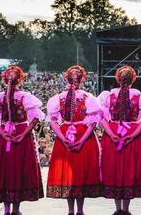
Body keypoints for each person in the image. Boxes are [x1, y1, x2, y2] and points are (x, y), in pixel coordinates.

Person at [0, 66, 45, 215]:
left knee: (12, 168)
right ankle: (13, 210)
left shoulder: (18, 97)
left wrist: (6, 133)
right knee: (11, 169)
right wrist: (11, 134)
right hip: (13, 133)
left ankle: (11, 209)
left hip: (12, 133)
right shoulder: (10, 97)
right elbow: (34, 119)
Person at [46, 65, 103, 215]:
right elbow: (92, 123)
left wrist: (64, 138)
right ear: (82, 79)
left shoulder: (62, 98)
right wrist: (78, 139)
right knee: (76, 173)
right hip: (79, 134)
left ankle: (73, 210)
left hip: (70, 134)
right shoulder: (85, 97)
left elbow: (53, 122)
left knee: (75, 173)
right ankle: (78, 210)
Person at [98, 66, 141, 215]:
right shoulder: (139, 95)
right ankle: (126, 209)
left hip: (113, 131)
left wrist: (111, 133)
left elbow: (101, 117)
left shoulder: (109, 95)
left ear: (117, 79)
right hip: (132, 133)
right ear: (133, 79)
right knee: (129, 170)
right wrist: (134, 134)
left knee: (114, 169)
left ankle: (118, 208)